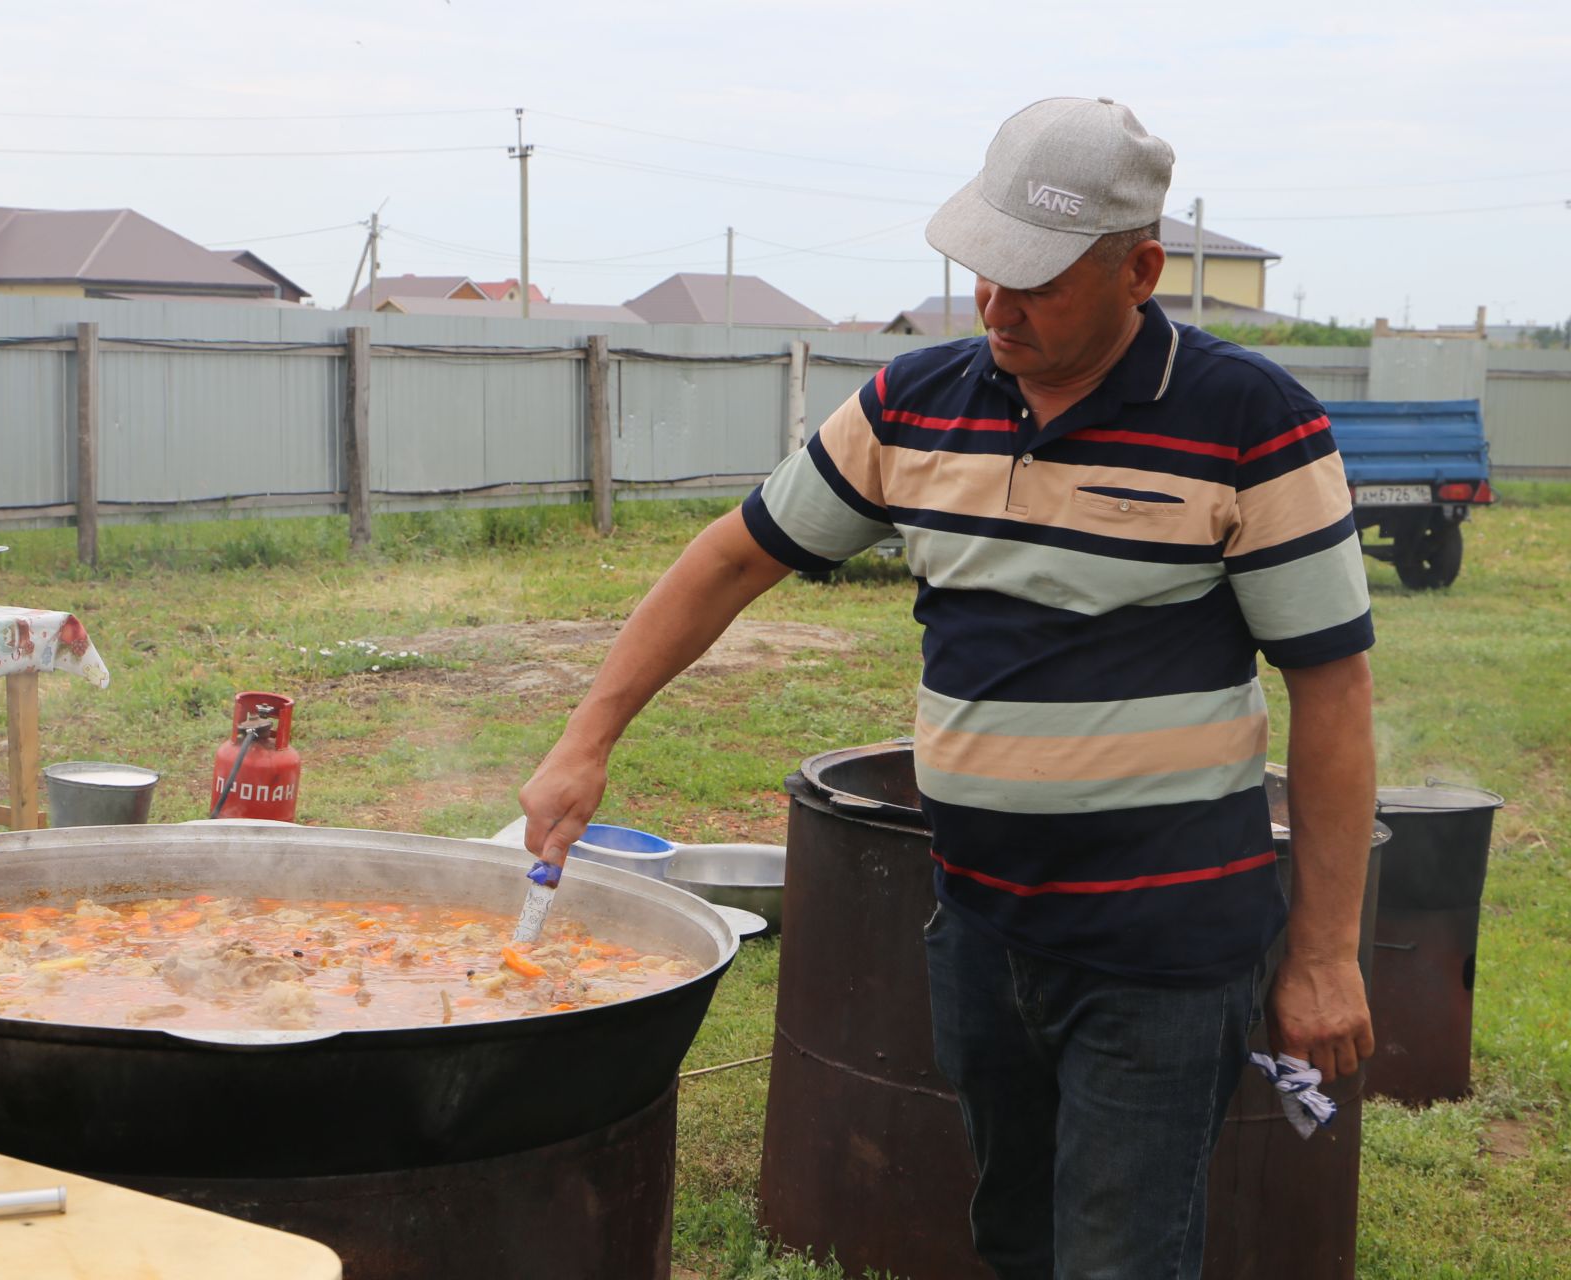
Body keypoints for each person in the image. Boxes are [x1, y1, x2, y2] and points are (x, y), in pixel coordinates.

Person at [518, 96, 1376, 1280]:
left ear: (1140, 269)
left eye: (1039, 282)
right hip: (978, 925)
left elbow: (1333, 689)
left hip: (1162, 950)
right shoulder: (913, 405)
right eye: (983, 269)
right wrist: (587, 733)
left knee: (1119, 1259)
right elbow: (733, 555)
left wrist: (1326, 952)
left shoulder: (1252, 424)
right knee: (1012, 1237)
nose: (996, 306)